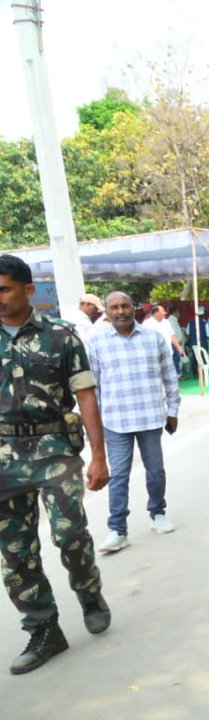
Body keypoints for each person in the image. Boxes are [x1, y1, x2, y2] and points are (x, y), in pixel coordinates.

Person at [0, 254, 111, 674]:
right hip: (3, 458)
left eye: (4, 288)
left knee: (70, 534)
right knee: (15, 551)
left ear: (29, 290)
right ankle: (44, 630)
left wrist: (98, 455)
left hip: (55, 450)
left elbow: (84, 395)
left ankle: (89, 594)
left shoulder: (62, 336)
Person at [87, 292, 181, 555]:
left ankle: (157, 512)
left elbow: (169, 376)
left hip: (151, 417)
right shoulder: (95, 342)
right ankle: (118, 529)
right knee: (118, 476)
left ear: (134, 308)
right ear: (106, 311)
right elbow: (91, 388)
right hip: (115, 420)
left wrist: (172, 410)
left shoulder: (153, 338)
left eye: (125, 306)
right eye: (114, 307)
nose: (120, 311)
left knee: (156, 469)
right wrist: (93, 424)